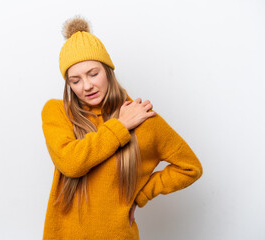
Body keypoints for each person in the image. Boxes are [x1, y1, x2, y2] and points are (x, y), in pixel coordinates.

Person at [41, 16, 203, 240]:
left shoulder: (142, 118)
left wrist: (141, 195)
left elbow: (190, 167)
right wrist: (120, 126)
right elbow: (71, 163)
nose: (87, 86)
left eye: (93, 73)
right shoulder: (57, 112)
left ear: (108, 70)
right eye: (75, 81)